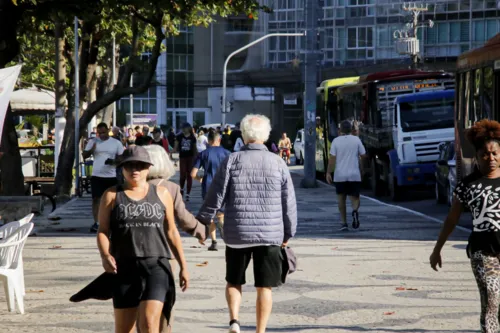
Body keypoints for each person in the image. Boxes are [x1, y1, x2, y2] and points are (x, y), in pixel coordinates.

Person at [197, 114, 297, 333]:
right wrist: (288, 233)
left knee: (234, 280)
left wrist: (203, 220)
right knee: (265, 287)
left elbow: (216, 194)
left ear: (243, 135)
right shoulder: (278, 162)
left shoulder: (232, 160)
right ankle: (260, 331)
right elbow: (288, 202)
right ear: (266, 136)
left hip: (237, 232)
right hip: (270, 234)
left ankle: (234, 321)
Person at [97, 145, 189, 333]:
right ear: (122, 168)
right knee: (124, 329)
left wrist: (183, 266)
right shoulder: (112, 195)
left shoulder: (162, 194)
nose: (135, 170)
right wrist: (105, 255)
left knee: (148, 323)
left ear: (149, 168)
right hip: (123, 266)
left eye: (140, 165)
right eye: (129, 166)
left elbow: (172, 231)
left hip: (156, 265)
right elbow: (103, 230)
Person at [430, 120, 500, 333]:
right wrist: (437, 250)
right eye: (485, 155)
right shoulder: (467, 185)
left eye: (495, 153)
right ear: (477, 157)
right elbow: (451, 219)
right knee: (491, 298)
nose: (491, 158)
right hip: (482, 250)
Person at [142, 144, 208, 333]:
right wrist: (200, 230)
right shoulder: (169, 188)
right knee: (162, 302)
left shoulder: (130, 187)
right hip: (162, 253)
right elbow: (182, 217)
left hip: (133, 251)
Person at [191, 131, 230, 251]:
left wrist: (199, 178)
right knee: (221, 213)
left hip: (208, 185)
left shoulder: (203, 154)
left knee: (210, 215)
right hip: (223, 185)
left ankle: (214, 242)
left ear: (208, 141)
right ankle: (222, 223)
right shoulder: (228, 153)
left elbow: (193, 174)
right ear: (219, 140)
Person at [82, 122, 124, 233]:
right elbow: (84, 155)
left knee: (114, 200)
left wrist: (113, 161)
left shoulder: (116, 143)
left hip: (111, 175)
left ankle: (113, 221)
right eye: (99, 133)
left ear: (108, 130)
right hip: (97, 175)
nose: (101, 135)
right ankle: (96, 222)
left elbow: (122, 158)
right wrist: (92, 149)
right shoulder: (93, 141)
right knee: (96, 199)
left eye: (104, 132)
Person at [326, 120, 366, 231]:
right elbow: (363, 155)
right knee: (355, 197)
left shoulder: (335, 141)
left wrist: (329, 172)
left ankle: (344, 223)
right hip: (354, 175)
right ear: (351, 130)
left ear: (340, 130)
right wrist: (362, 169)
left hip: (340, 175)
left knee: (341, 199)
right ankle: (354, 210)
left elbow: (332, 159)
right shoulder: (356, 140)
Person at [174, 123, 197, 201]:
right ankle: (181, 189)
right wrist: (171, 154)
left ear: (188, 128)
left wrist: (197, 157)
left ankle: (188, 193)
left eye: (185, 128)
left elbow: (194, 149)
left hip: (190, 157)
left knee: (189, 175)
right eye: (182, 128)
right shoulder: (179, 137)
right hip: (182, 157)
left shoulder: (192, 137)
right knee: (182, 174)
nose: (183, 129)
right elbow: (175, 147)